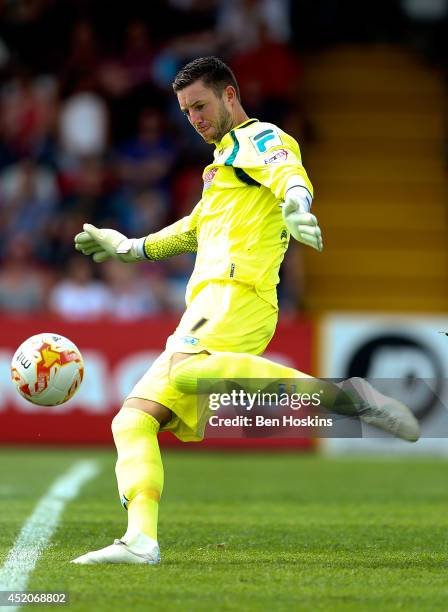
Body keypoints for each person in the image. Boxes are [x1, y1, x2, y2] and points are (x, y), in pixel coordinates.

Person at [72, 57, 420, 565]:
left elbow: (288, 172)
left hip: (238, 295)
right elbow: (192, 230)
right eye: (186, 111)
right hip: (206, 306)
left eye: (201, 105)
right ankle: (140, 540)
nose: (194, 118)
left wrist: (299, 206)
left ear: (230, 95)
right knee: (132, 420)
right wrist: (128, 247)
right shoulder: (222, 163)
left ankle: (344, 397)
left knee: (192, 374)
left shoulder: (257, 139)